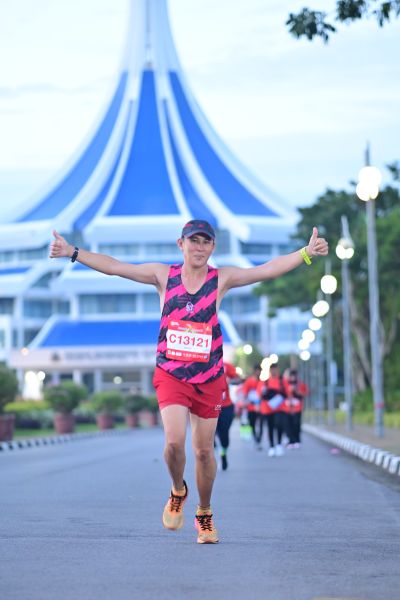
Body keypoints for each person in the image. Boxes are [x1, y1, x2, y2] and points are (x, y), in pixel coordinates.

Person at [49, 219, 328, 544]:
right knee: (173, 443)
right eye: (193, 241)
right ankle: (177, 489)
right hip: (171, 374)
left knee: (204, 452)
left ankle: (204, 513)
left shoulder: (221, 278)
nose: (199, 247)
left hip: (209, 378)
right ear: (181, 244)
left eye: (206, 242)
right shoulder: (163, 276)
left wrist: (305, 253)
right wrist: (72, 252)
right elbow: (115, 267)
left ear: (213, 247)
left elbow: (265, 270)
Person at [215, 362, 241, 471]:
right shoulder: (203, 363)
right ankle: (214, 448)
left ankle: (223, 454)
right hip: (214, 405)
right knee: (212, 430)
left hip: (226, 405)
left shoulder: (226, 366)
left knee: (224, 434)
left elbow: (238, 380)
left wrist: (230, 380)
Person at [257, 364, 286, 456]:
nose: (274, 371)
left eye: (275, 369)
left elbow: (287, 393)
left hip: (280, 408)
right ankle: (272, 446)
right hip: (268, 409)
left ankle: (279, 444)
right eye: (272, 369)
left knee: (279, 425)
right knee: (270, 427)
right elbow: (259, 395)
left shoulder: (282, 381)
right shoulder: (264, 382)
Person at [283, 368, 308, 448]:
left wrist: (296, 391)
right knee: (288, 425)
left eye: (294, 376)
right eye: (291, 376)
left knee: (296, 424)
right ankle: (291, 441)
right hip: (287, 408)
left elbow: (305, 394)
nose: (293, 378)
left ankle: (297, 440)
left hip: (297, 408)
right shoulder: (285, 384)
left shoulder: (300, 384)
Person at [242, 365, 262, 448]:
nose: (258, 372)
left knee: (261, 424)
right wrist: (245, 403)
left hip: (260, 407)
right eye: (257, 371)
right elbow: (245, 394)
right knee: (252, 423)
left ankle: (259, 438)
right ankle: (255, 438)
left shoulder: (262, 382)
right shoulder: (249, 381)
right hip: (251, 407)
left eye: (259, 371)